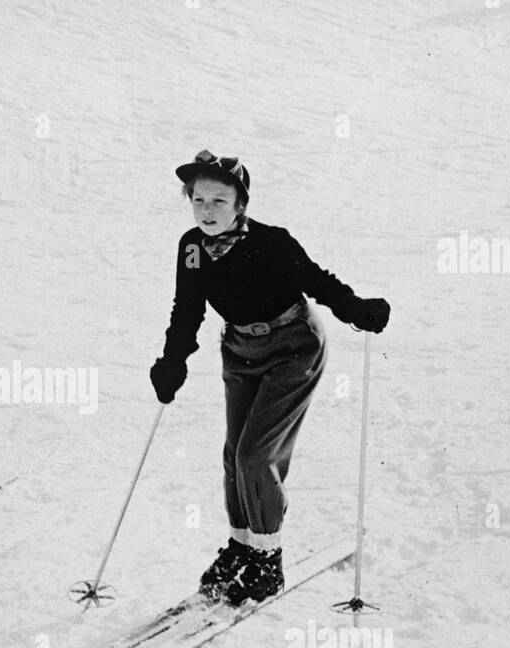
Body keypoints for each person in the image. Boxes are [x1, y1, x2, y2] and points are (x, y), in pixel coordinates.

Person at [149, 150, 390, 605]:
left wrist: (356, 308)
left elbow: (316, 281)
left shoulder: (271, 242)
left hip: (293, 346)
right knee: (232, 455)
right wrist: (172, 361)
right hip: (240, 351)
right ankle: (242, 545)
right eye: (198, 199)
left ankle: (266, 560)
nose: (206, 210)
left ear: (240, 203)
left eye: (218, 201)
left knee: (256, 456)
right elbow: (187, 310)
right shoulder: (192, 249)